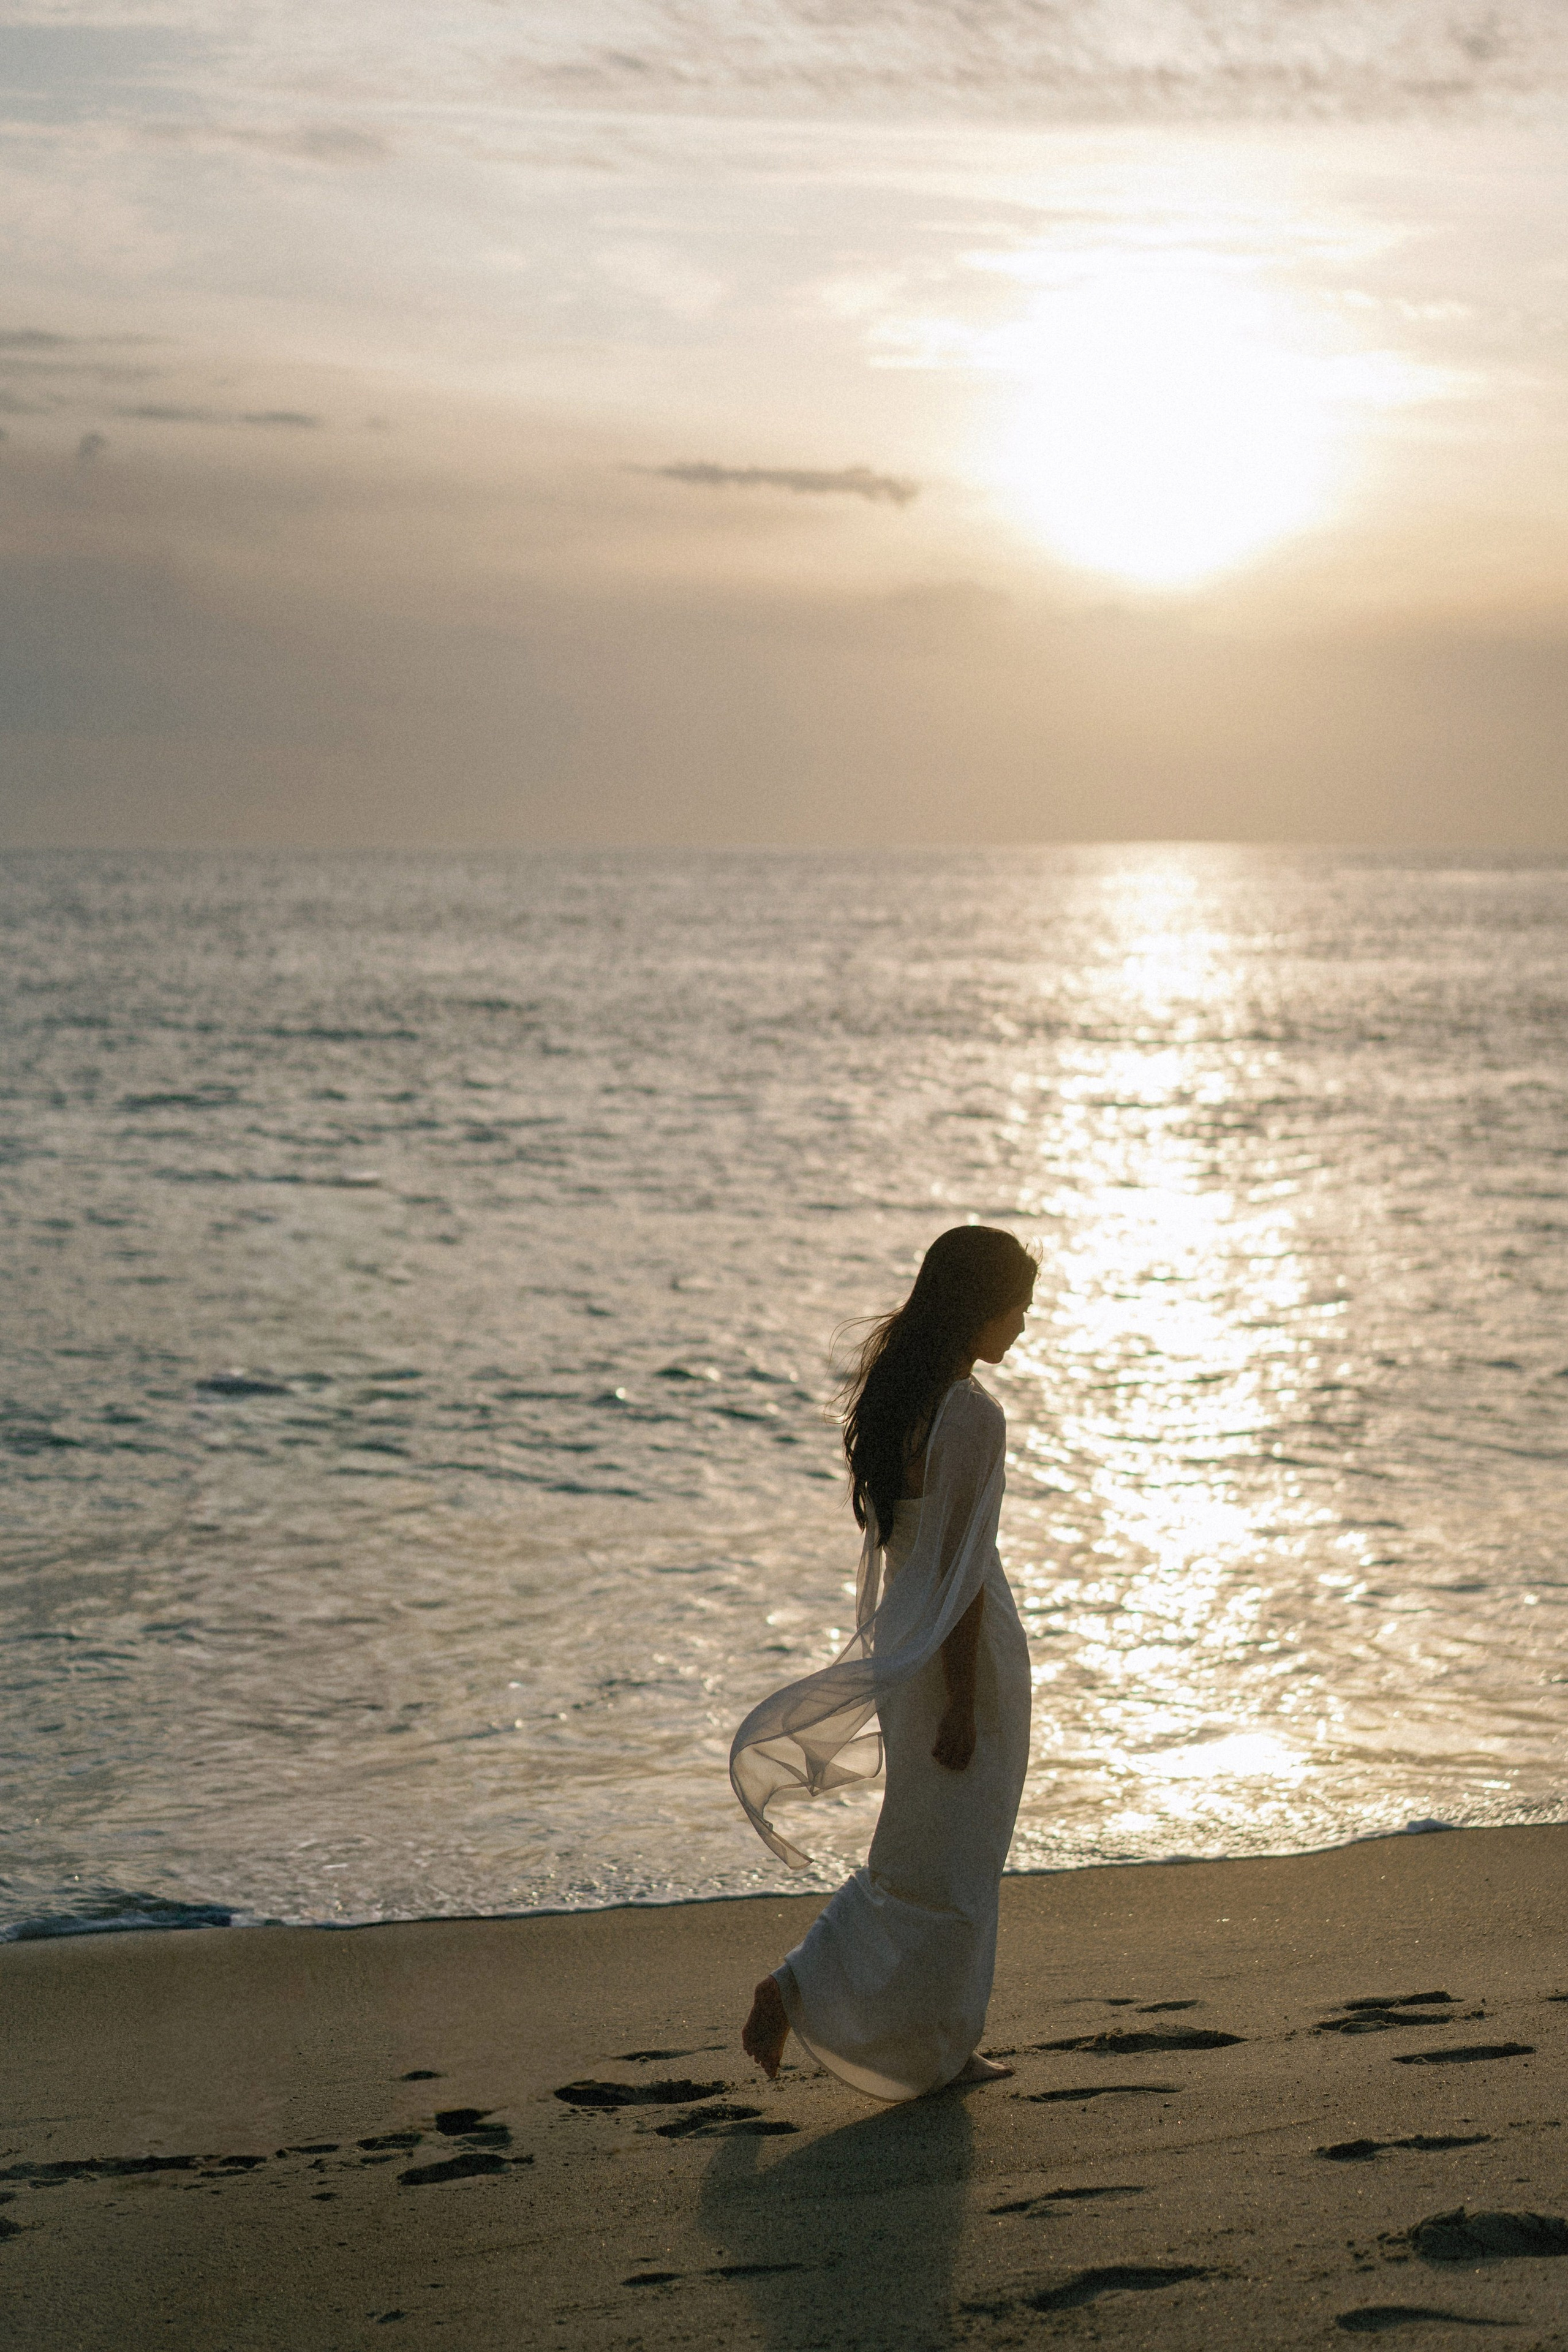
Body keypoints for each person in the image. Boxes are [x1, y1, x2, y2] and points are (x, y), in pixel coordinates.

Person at [731, 1224, 1036, 2101]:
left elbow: (921, 1558)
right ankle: (920, 2037)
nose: (1022, 1328)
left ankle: (870, 2013)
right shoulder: (972, 1411)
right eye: (1017, 1310)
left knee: (916, 1851)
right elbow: (965, 1573)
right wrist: (964, 1699)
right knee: (962, 1862)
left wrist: (935, 1687)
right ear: (979, 1307)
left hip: (914, 1645)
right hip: (961, 1651)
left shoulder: (897, 1394)